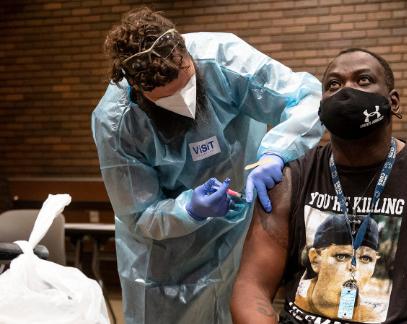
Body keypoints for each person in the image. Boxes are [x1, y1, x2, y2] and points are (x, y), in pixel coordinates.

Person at [91, 6, 324, 324]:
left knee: (234, 306)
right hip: (163, 257)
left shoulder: (224, 60)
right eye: (168, 97)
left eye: (186, 82)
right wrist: (191, 209)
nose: (184, 101)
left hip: (237, 228)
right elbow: (139, 213)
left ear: (186, 53)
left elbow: (306, 97)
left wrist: (276, 152)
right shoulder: (117, 123)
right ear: (138, 90)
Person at [231, 48, 407, 324]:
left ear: (394, 102)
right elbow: (251, 287)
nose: (345, 91)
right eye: (333, 84)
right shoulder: (290, 179)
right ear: (320, 108)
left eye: (363, 80)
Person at [294, 215, 383, 323]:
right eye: (341, 256)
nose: (354, 267)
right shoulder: (296, 300)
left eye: (365, 258)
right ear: (315, 260)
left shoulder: (373, 318)